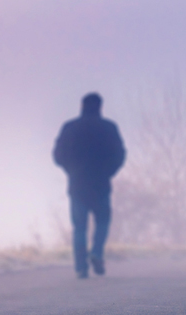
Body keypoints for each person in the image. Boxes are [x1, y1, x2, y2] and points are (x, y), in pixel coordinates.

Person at [53, 92, 126, 279]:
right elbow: (119, 154)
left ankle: (80, 267)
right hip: (101, 183)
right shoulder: (109, 128)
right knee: (102, 221)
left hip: (77, 184)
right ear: (100, 107)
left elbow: (58, 155)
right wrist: (108, 172)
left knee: (79, 227)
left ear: (81, 106)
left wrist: (71, 170)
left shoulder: (70, 128)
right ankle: (96, 252)